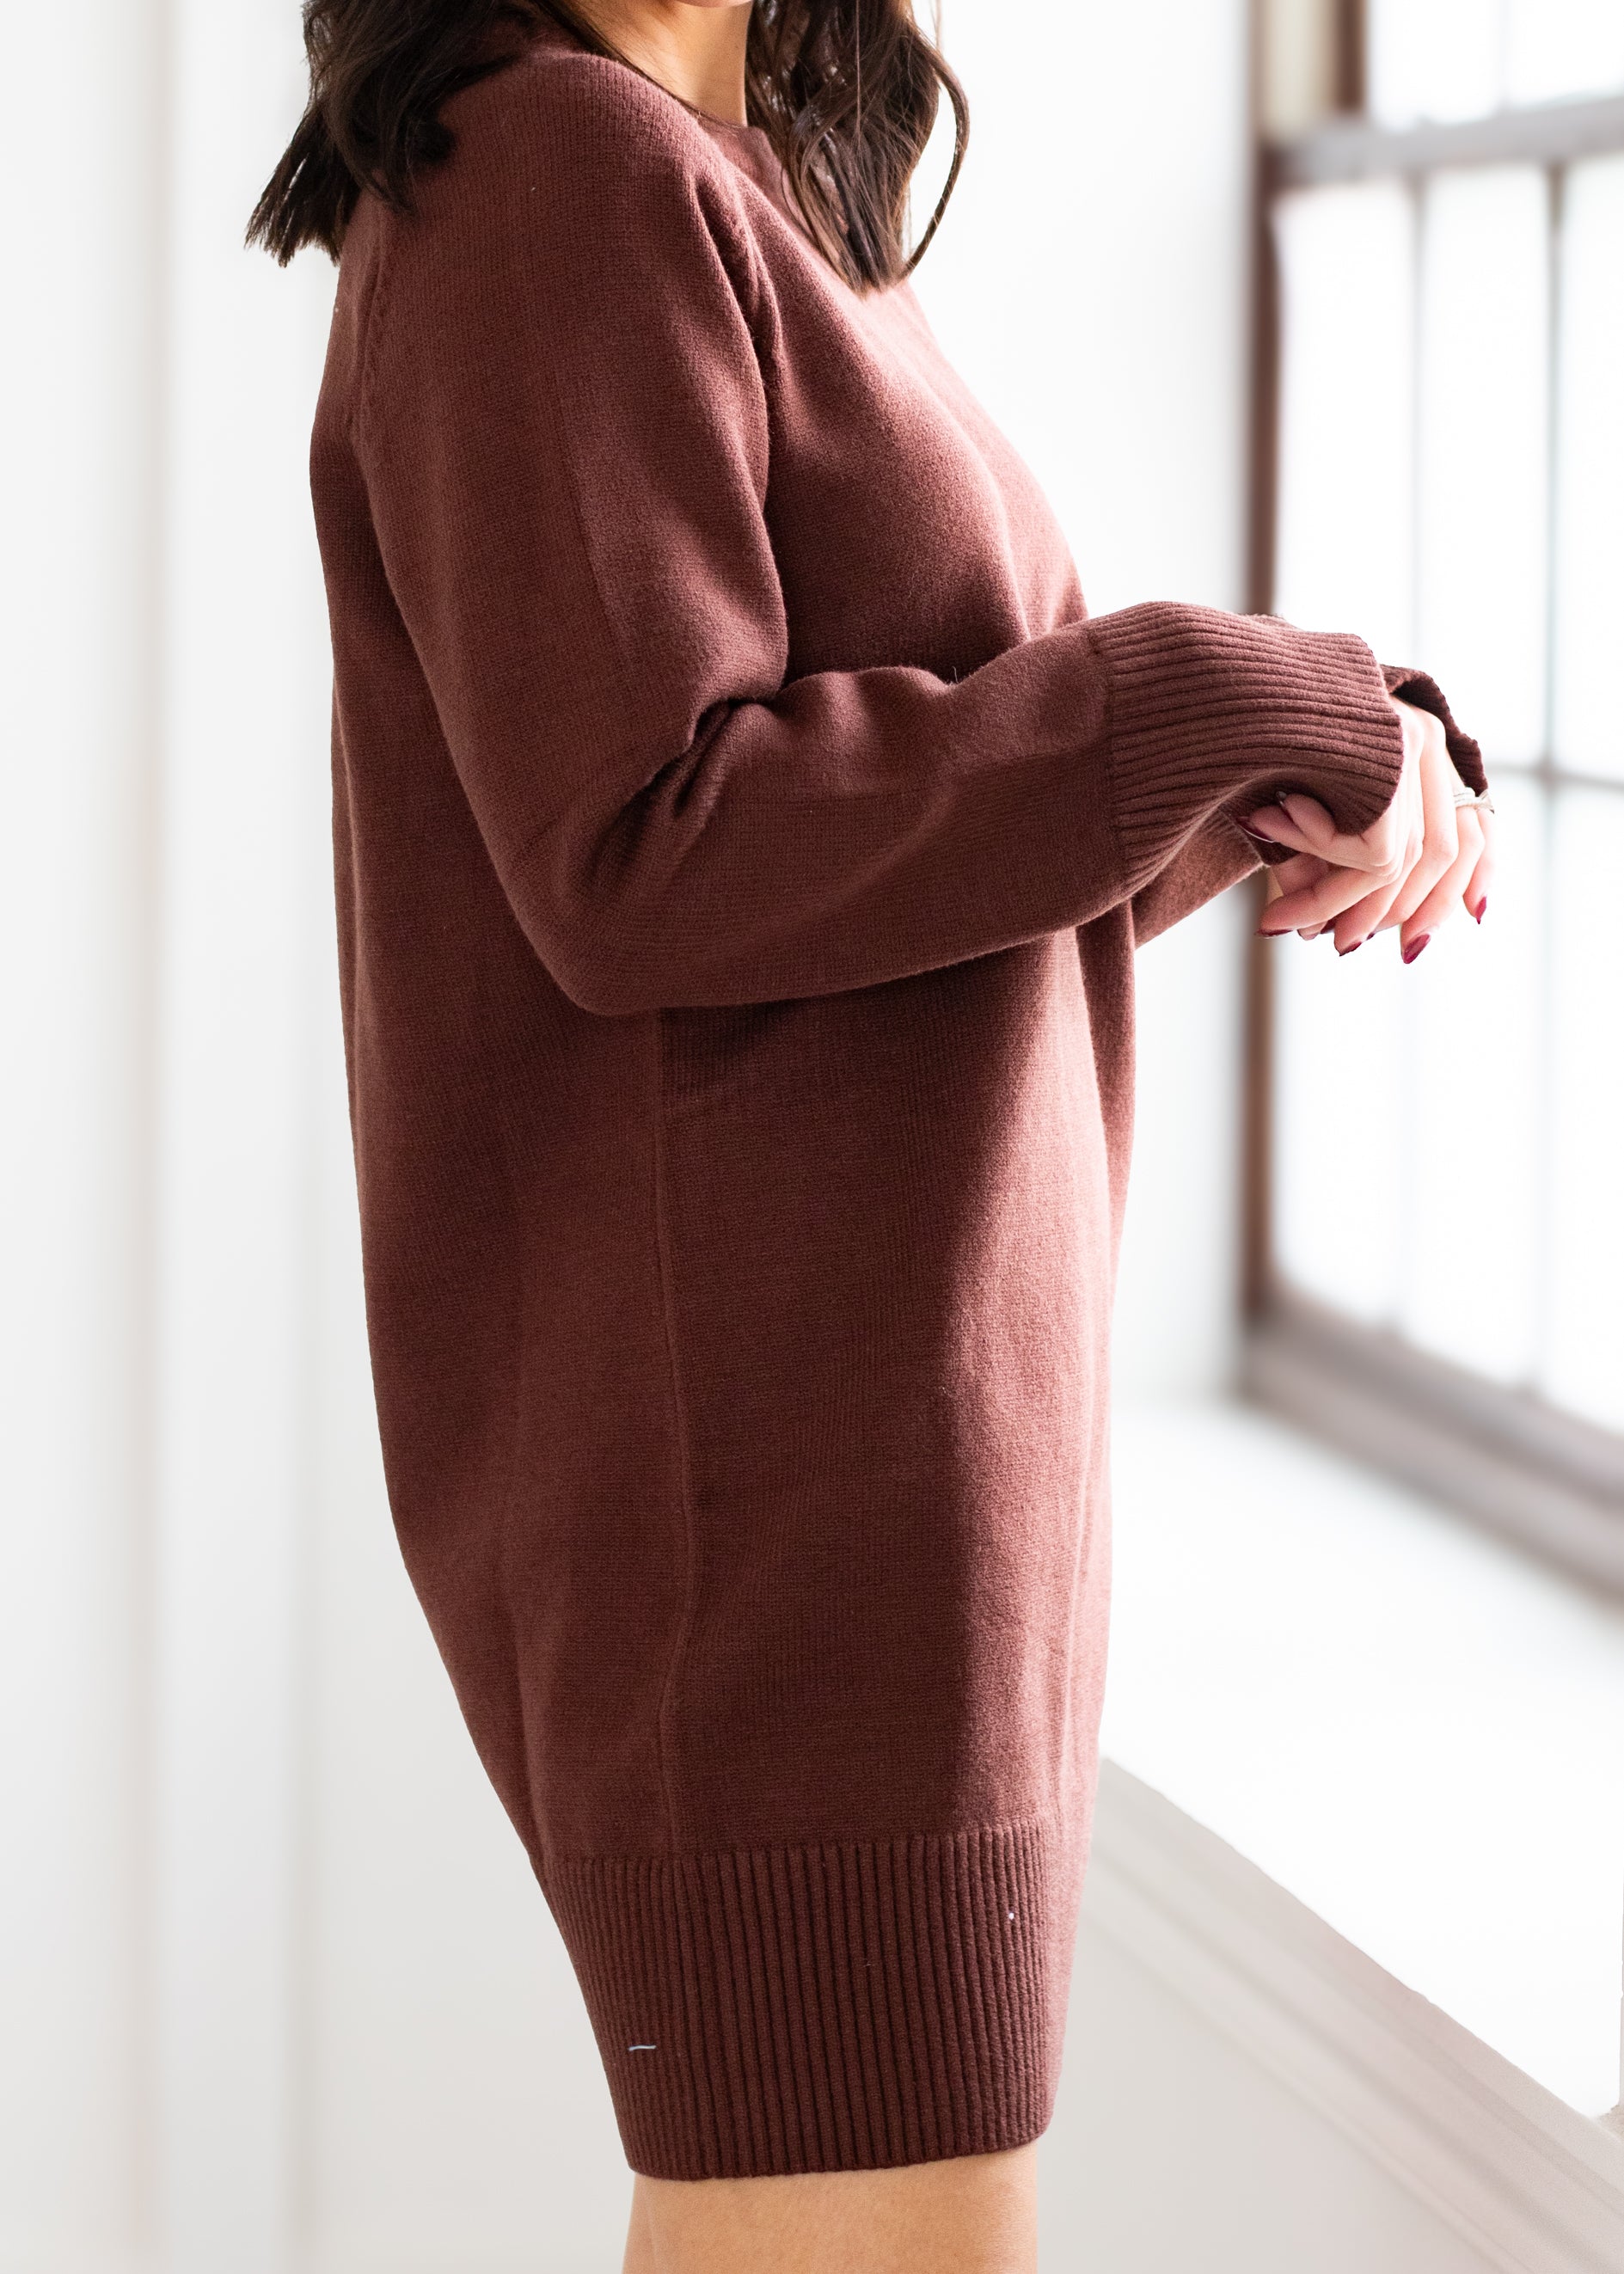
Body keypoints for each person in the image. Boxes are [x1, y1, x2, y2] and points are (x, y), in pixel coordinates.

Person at [251, 3, 1492, 2267]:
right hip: (773, 1506)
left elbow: (889, 826)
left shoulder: (744, 185)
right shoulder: (544, 173)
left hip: (892, 1481)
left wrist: (1287, 757)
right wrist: (1229, 694)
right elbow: (647, 854)